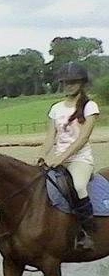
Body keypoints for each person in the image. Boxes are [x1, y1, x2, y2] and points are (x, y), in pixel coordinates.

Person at [38, 61, 100, 251]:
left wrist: (61, 159)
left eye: (73, 82)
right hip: (58, 159)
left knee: (79, 186)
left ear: (82, 83)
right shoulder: (56, 108)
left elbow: (82, 139)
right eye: (66, 82)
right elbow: (50, 137)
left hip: (79, 160)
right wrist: (42, 156)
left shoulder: (90, 106)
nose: (69, 85)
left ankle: (87, 232)